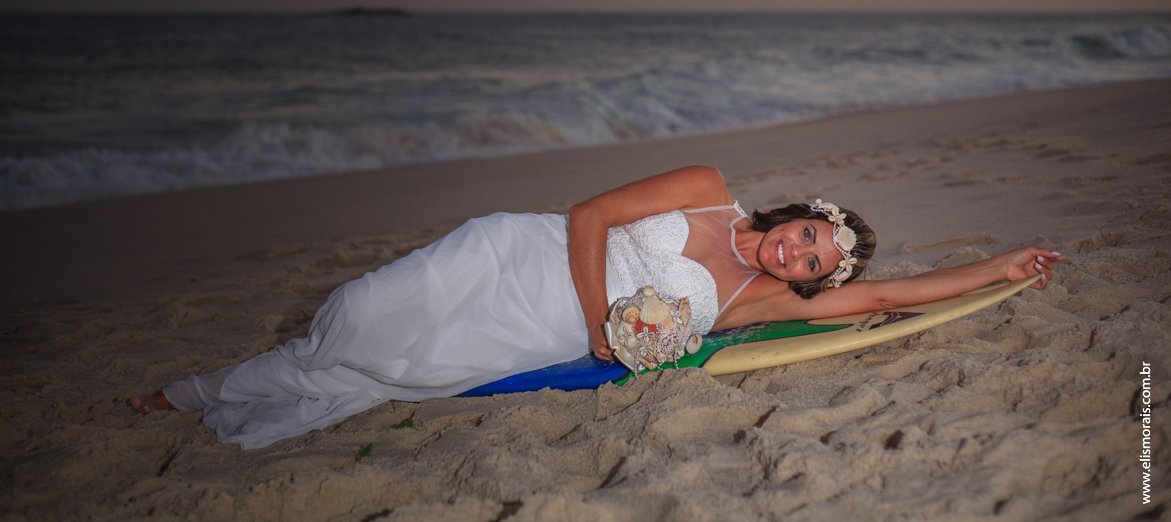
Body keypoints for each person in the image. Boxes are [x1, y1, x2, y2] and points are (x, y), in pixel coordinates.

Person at [130, 165, 1060, 449]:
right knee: (361, 314)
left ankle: (193, 392)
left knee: (393, 368)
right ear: (795, 214)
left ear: (814, 279)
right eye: (807, 233)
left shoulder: (752, 299)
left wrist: (1000, 268)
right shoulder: (704, 189)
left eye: (815, 263)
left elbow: (898, 294)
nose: (799, 252)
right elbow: (586, 217)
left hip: (537, 329)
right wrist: (596, 323)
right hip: (518, 254)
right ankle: (231, 383)